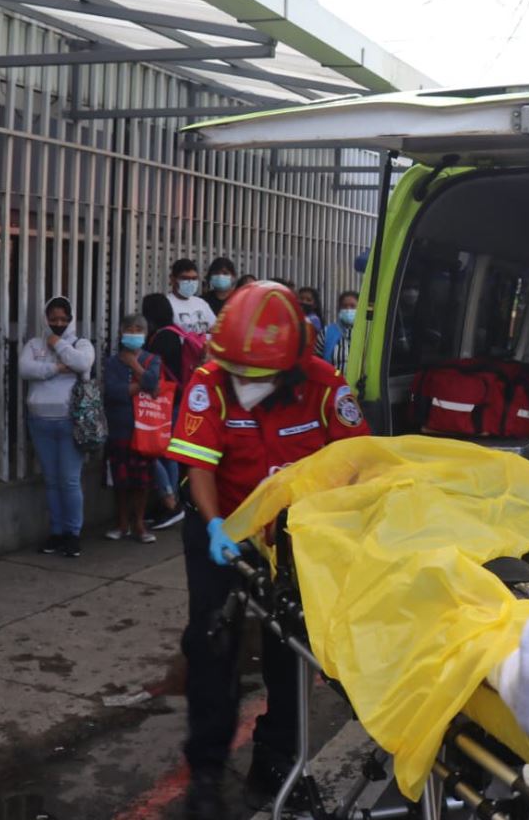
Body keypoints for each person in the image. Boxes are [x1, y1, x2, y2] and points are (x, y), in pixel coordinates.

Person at [165, 281, 371, 819]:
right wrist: (217, 528)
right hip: (222, 530)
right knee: (212, 645)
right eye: (239, 374)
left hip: (294, 537)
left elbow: (356, 464)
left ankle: (276, 761)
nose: (246, 386)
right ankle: (206, 771)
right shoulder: (210, 383)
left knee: (292, 650)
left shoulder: (326, 387)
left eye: (258, 378)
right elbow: (200, 466)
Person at [17, 296, 96, 558]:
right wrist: (57, 368)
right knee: (51, 481)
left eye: (63, 319)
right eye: (53, 319)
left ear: (71, 319)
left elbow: (83, 364)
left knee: (70, 480)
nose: (58, 323)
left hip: (69, 422)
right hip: (40, 421)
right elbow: (25, 369)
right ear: (45, 319)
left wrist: (58, 344)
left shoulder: (81, 343)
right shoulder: (33, 344)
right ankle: (57, 532)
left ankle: (73, 535)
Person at [101, 314, 162, 543]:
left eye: (139, 329)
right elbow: (115, 393)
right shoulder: (112, 362)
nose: (133, 332)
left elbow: (154, 385)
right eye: (129, 328)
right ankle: (122, 522)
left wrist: (133, 364)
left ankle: (139, 523)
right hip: (120, 428)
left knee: (143, 481)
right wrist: (142, 385)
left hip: (145, 429)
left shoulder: (152, 359)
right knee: (121, 480)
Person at [140, 294, 189, 531]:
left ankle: (170, 504)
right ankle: (171, 502)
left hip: (165, 400)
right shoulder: (178, 332)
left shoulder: (161, 338)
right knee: (169, 453)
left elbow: (153, 372)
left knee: (156, 452)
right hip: (180, 398)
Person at [167, 258, 217, 336]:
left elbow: (215, 329)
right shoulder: (166, 304)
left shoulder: (201, 303)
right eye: (185, 278)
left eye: (194, 278)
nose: (190, 282)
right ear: (173, 279)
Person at [322, 290, 359, 370]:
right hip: (333, 380)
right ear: (339, 309)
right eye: (344, 306)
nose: (348, 309)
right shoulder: (326, 332)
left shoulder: (368, 333)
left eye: (353, 306)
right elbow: (317, 360)